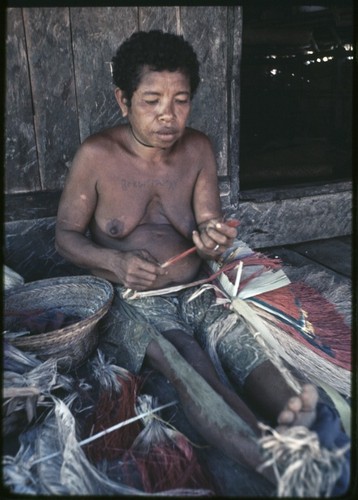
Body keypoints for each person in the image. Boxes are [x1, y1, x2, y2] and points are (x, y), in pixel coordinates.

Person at [55, 30, 349, 494]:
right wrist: (114, 262)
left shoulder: (197, 150)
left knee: (243, 345)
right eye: (151, 100)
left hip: (199, 288)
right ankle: (266, 454)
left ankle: (307, 424)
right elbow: (65, 237)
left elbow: (209, 226)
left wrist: (213, 239)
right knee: (186, 359)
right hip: (134, 298)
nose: (168, 115)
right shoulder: (97, 156)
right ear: (123, 100)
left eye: (181, 100)